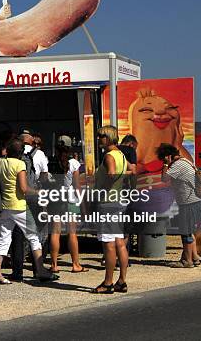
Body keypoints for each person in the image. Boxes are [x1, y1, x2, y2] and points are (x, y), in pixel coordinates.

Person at [0, 139, 58, 284]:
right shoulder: (20, 164)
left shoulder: (0, 163)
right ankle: (40, 270)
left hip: (5, 206)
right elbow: (24, 188)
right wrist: (38, 192)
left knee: (4, 238)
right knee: (34, 236)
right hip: (20, 206)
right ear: (21, 153)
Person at [92, 125, 131, 294]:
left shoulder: (109, 156)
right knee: (120, 242)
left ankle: (108, 282)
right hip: (119, 201)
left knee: (108, 243)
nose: (98, 138)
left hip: (108, 202)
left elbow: (112, 174)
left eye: (101, 136)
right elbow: (129, 170)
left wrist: (102, 189)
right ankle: (121, 280)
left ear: (108, 138)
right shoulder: (121, 154)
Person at [9, 128, 49, 280]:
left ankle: (17, 272)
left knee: (18, 235)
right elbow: (45, 176)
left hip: (18, 197)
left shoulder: (13, 153)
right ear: (32, 140)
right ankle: (37, 268)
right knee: (38, 232)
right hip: (34, 196)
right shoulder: (39, 154)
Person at [158, 143, 201, 268]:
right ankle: (194, 257)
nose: (164, 162)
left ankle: (187, 261)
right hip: (196, 201)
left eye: (163, 158)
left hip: (188, 203)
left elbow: (164, 178)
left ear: (168, 156)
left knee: (186, 232)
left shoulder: (178, 165)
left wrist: (166, 164)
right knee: (190, 230)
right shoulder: (186, 161)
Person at [48, 138, 87, 274]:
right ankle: (75, 264)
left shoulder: (51, 162)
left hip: (55, 199)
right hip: (70, 200)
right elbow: (77, 186)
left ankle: (54, 265)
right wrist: (83, 204)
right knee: (72, 233)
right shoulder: (74, 163)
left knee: (55, 232)